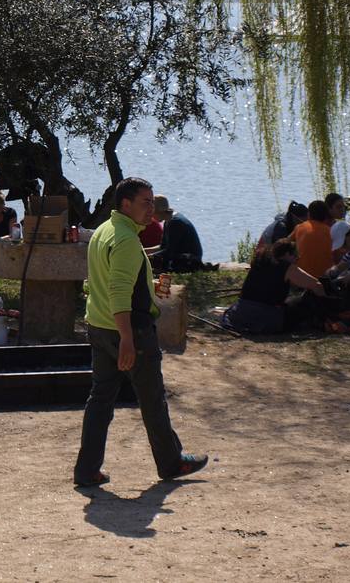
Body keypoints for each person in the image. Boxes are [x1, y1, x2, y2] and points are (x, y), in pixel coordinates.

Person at [73, 176, 207, 487]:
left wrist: (147, 289)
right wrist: (128, 340)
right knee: (151, 399)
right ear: (125, 204)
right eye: (145, 203)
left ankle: (86, 469)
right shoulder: (126, 240)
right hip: (127, 330)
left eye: (151, 202)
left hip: (100, 326)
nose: (151, 209)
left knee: (100, 399)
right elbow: (119, 292)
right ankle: (172, 463)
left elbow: (99, 282)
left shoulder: (103, 232)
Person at [223, 239, 327, 333]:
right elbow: (317, 285)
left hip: (239, 314)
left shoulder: (260, 262)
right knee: (303, 301)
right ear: (287, 254)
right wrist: (325, 304)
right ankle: (324, 321)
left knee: (290, 301)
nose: (296, 259)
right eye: (295, 256)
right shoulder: (286, 267)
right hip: (266, 319)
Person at [150, 195, 203, 272]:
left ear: (158, 212)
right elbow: (163, 246)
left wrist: (150, 256)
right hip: (180, 256)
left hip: (190, 260)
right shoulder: (168, 220)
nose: (152, 217)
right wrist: (143, 251)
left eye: (152, 213)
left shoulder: (175, 222)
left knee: (154, 261)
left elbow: (170, 251)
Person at [292, 200, 334, 278]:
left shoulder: (299, 227)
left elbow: (284, 242)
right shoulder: (331, 231)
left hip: (302, 275)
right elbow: (338, 256)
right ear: (326, 215)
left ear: (309, 214)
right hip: (325, 277)